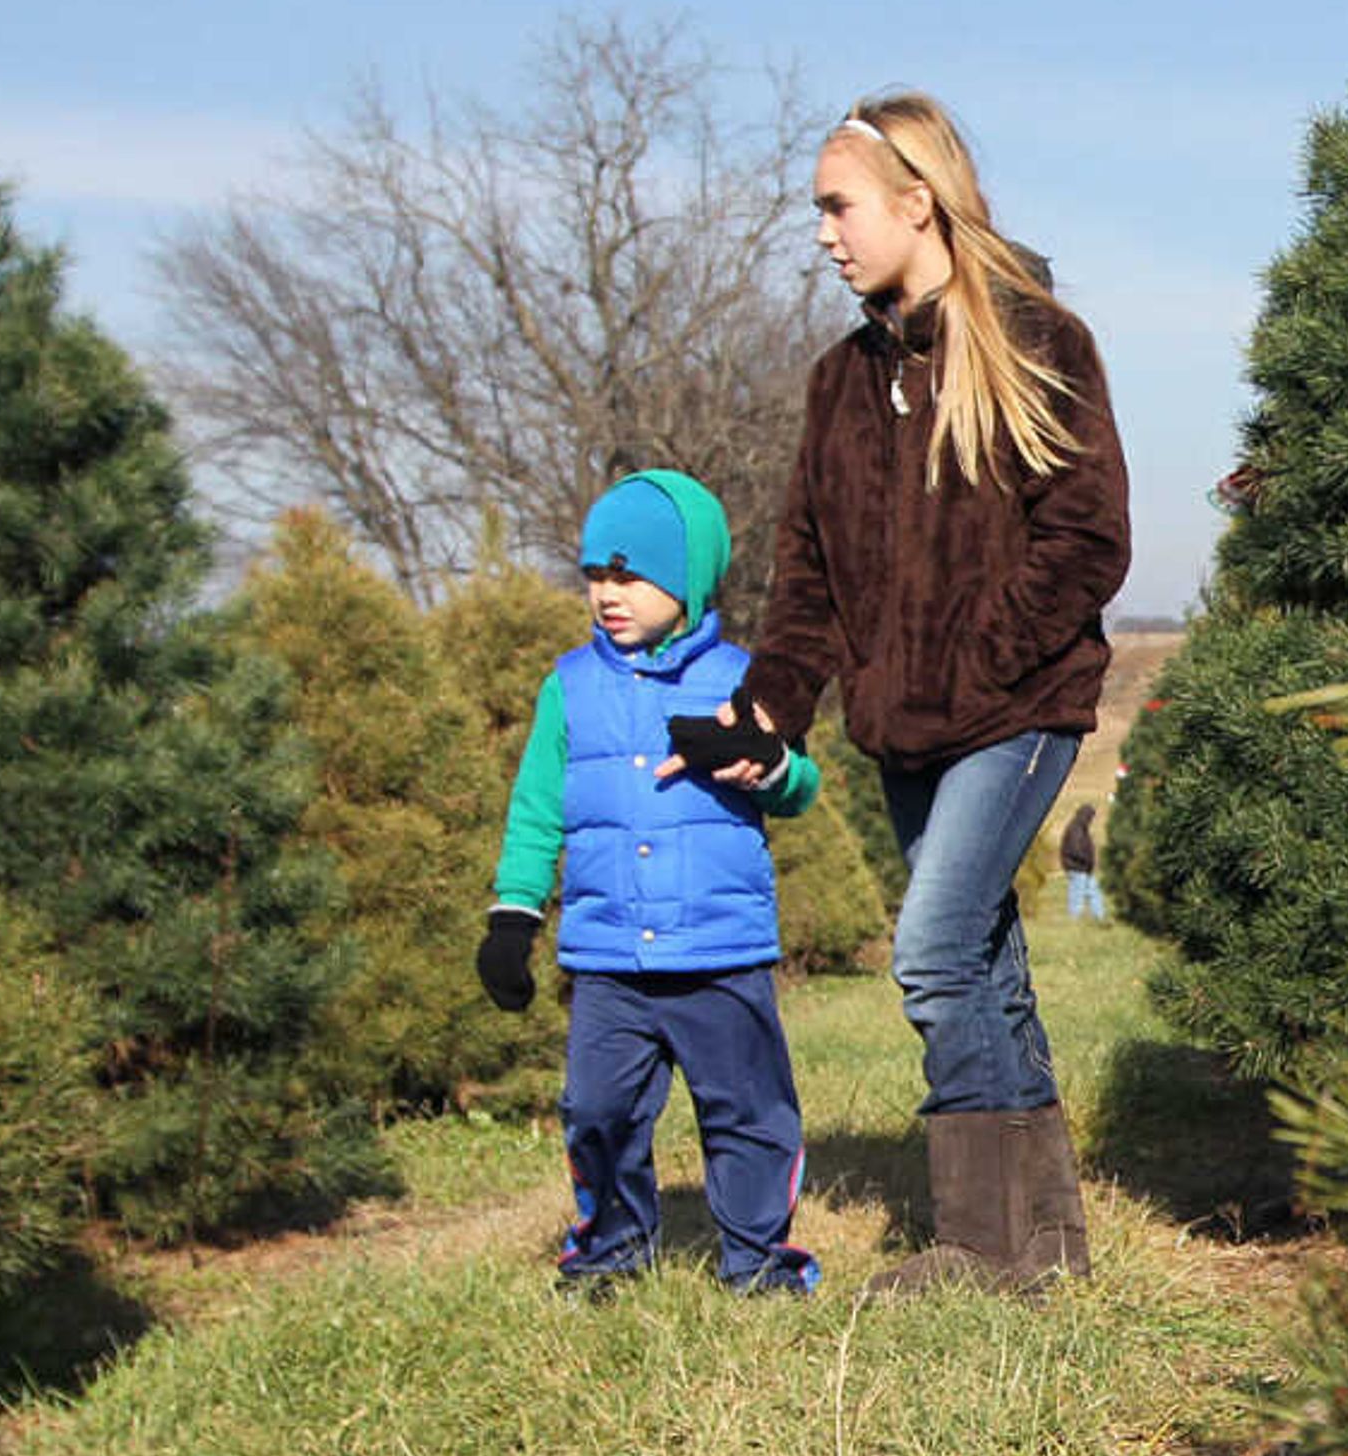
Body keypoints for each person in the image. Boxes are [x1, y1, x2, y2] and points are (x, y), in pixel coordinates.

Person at [726, 90, 1130, 1295]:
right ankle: (1049, 1244)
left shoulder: (1040, 341)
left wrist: (975, 659)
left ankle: (974, 1243)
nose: (824, 232)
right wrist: (770, 706)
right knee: (990, 962)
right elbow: (807, 573)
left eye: (838, 206)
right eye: (817, 212)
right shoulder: (837, 384)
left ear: (918, 202)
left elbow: (1087, 539)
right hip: (903, 729)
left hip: (1018, 709)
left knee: (934, 951)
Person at [478, 469, 827, 1300]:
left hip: (719, 951)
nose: (608, 593)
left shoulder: (746, 679)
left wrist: (767, 764)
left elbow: (803, 787)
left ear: (689, 581)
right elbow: (535, 809)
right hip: (607, 959)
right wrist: (513, 917)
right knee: (597, 1113)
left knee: (747, 1114)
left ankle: (758, 1261)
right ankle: (610, 1253)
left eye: (630, 576)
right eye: (596, 575)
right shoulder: (568, 687)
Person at [1056, 801, 1105, 922]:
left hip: (1083, 869)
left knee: (1094, 892)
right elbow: (1075, 849)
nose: (1091, 820)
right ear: (1085, 815)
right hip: (1077, 868)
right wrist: (1088, 860)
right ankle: (1074, 921)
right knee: (1077, 896)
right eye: (1090, 817)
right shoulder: (1075, 828)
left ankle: (1099, 918)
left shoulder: (1081, 827)